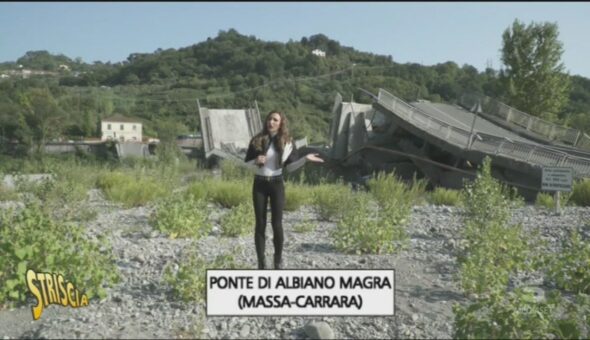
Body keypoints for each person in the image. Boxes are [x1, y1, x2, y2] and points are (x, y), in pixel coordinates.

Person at [244, 111, 324, 269]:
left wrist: (305, 159)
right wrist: (255, 161)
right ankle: (261, 263)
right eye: (269, 119)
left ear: (281, 123)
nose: (271, 122)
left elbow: (291, 168)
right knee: (260, 224)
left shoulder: (287, 142)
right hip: (259, 183)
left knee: (277, 224)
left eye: (275, 120)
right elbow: (245, 164)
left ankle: (278, 260)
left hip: (276, 184)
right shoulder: (257, 140)